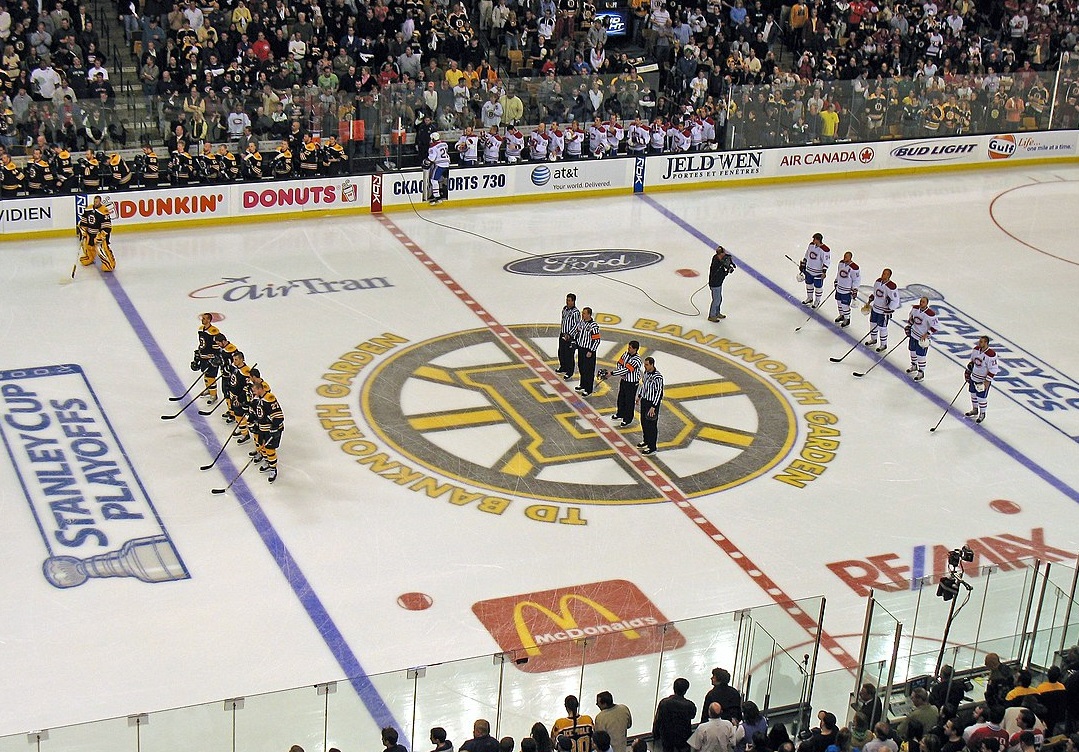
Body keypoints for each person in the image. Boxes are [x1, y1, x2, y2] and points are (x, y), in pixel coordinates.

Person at [600, 340, 642, 428]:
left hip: (632, 383)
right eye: (628, 347)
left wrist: (612, 373)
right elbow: (619, 363)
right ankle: (620, 413)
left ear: (635, 349)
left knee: (629, 401)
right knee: (621, 398)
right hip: (624, 380)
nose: (628, 349)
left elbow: (627, 369)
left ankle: (627, 419)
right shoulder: (625, 354)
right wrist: (621, 373)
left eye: (630, 348)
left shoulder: (636, 360)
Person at [251, 380, 282, 483]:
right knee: (262, 446)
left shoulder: (269, 399)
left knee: (270, 449)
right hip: (262, 428)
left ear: (260, 389)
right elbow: (254, 412)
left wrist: (274, 427)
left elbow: (279, 416)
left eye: (255, 391)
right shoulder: (256, 399)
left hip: (271, 429)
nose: (253, 393)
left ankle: (273, 469)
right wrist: (252, 421)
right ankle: (267, 461)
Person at [653, 678, 696, 752]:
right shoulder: (690, 705)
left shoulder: (664, 703)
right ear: (685, 691)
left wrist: (655, 735)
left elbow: (658, 720)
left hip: (667, 740)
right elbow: (692, 716)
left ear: (674, 688)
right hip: (683, 740)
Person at [964, 337, 999, 424]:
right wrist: (968, 370)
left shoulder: (991, 355)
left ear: (986, 343)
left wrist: (987, 381)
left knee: (981, 397)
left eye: (981, 342)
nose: (979, 343)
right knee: (973, 393)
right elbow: (972, 361)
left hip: (982, 380)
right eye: (979, 341)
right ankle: (975, 409)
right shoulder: (976, 349)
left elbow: (993, 369)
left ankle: (982, 413)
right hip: (974, 377)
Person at [864, 268, 900, 352]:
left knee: (882, 327)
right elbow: (875, 293)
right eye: (883, 273)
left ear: (889, 276)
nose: (883, 275)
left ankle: (883, 345)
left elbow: (895, 300)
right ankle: (873, 339)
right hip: (875, 308)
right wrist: (871, 299)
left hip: (884, 311)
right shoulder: (878, 281)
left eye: (885, 274)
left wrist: (890, 309)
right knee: (872, 324)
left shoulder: (891, 286)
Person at [903, 297, 939, 382]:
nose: (921, 303)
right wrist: (909, 325)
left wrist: (927, 334)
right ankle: (914, 366)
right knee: (912, 350)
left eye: (923, 302)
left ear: (927, 303)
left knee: (921, 355)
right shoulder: (915, 308)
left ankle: (921, 372)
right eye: (920, 301)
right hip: (913, 334)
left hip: (922, 339)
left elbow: (936, 326)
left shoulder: (930, 314)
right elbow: (911, 318)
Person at [77, 194, 115, 272]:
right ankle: (89, 257)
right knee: (88, 247)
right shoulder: (88, 208)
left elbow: (107, 226)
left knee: (102, 250)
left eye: (97, 201)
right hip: (89, 233)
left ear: (100, 201)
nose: (95, 203)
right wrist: (83, 229)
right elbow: (84, 220)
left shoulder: (104, 211)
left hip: (98, 234)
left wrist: (102, 235)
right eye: (95, 201)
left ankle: (109, 264)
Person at [637, 356, 664, 456]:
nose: (645, 366)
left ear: (652, 364)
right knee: (644, 422)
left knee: (651, 425)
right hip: (645, 401)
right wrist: (639, 396)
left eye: (647, 365)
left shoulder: (658, 377)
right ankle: (646, 441)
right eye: (644, 365)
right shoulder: (646, 373)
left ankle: (652, 447)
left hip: (652, 403)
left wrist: (653, 406)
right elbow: (644, 385)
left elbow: (659, 393)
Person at [572, 306, 601, 397]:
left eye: (584, 313)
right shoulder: (582, 322)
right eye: (582, 313)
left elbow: (597, 340)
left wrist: (591, 351)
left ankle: (588, 389)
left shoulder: (593, 326)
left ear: (589, 314)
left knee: (589, 370)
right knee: (581, 367)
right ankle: (583, 384)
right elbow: (577, 332)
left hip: (588, 351)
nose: (582, 315)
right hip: (581, 349)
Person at [800, 232, 831, 308]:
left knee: (818, 287)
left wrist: (824, 272)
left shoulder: (825, 250)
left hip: (818, 272)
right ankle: (809, 298)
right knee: (809, 285)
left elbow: (826, 261)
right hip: (809, 270)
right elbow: (807, 254)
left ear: (818, 240)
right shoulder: (811, 245)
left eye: (814, 239)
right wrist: (803, 263)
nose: (813, 240)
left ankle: (817, 301)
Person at [557, 293, 582, 379]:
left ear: (573, 301)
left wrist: (569, 334)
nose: (567, 302)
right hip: (563, 334)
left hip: (570, 337)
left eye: (569, 300)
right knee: (561, 352)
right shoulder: (565, 309)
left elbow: (577, 325)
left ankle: (570, 371)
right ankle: (563, 367)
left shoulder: (576, 312)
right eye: (567, 300)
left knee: (569, 354)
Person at [707, 246, 736, 321]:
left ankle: (717, 313)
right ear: (720, 254)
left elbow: (726, 260)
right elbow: (721, 273)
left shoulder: (717, 258)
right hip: (715, 284)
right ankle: (712, 315)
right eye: (723, 253)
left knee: (719, 299)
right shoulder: (717, 264)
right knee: (716, 300)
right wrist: (727, 272)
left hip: (719, 283)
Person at [833, 251, 861, 328]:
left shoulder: (854, 268)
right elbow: (838, 273)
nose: (844, 258)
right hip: (839, 288)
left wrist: (854, 289)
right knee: (839, 303)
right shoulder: (841, 263)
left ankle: (847, 319)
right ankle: (841, 315)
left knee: (845, 305)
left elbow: (856, 280)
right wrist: (836, 281)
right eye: (844, 256)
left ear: (850, 258)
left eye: (846, 257)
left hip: (847, 290)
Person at [426, 131, 450, 205]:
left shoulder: (433, 147)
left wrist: (426, 161)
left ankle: (437, 197)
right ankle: (442, 192)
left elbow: (432, 158)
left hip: (440, 164)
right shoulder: (444, 144)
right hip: (447, 163)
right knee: (442, 179)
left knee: (433, 180)